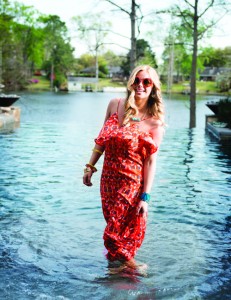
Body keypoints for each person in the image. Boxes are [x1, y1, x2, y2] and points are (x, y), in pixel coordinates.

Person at [83, 65, 165, 272]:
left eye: (146, 82)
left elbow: (150, 161)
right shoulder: (115, 104)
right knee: (114, 225)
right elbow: (102, 139)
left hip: (131, 183)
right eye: (137, 80)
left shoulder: (155, 122)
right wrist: (90, 166)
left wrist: (145, 197)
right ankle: (116, 270)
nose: (140, 85)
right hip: (108, 181)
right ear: (130, 82)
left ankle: (132, 267)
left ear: (153, 86)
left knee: (114, 230)